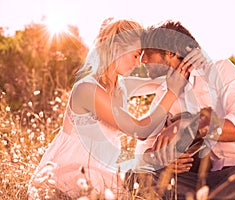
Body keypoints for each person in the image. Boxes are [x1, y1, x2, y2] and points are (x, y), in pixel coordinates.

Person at [27, 18, 191, 199]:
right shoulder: (87, 89)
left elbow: (162, 80)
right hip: (68, 175)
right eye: (135, 55)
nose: (138, 63)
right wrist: (172, 93)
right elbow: (140, 129)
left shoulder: (118, 87)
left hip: (101, 173)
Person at [126, 20, 235, 199]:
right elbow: (144, 152)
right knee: (136, 176)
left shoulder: (221, 69)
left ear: (170, 52)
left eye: (148, 53)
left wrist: (187, 125)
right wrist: (162, 161)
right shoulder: (165, 92)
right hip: (204, 182)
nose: (142, 61)